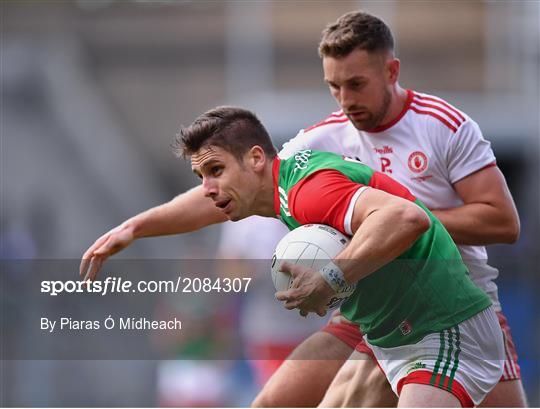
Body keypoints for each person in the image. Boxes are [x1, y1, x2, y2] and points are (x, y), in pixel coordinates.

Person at [81, 106, 505, 407]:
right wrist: (134, 227)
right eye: (200, 176)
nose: (207, 187)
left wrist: (331, 280)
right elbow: (204, 206)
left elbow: (407, 217)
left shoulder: (308, 189)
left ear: (255, 159)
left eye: (215, 171)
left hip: (442, 326)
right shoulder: (281, 188)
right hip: (384, 329)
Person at [252, 10, 525, 408]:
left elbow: (503, 221)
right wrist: (138, 227)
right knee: (272, 403)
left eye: (357, 84)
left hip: (452, 306)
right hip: (369, 306)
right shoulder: (322, 139)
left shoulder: (443, 126)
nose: (346, 100)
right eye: (334, 87)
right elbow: (244, 183)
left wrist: (396, 224)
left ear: (392, 71)